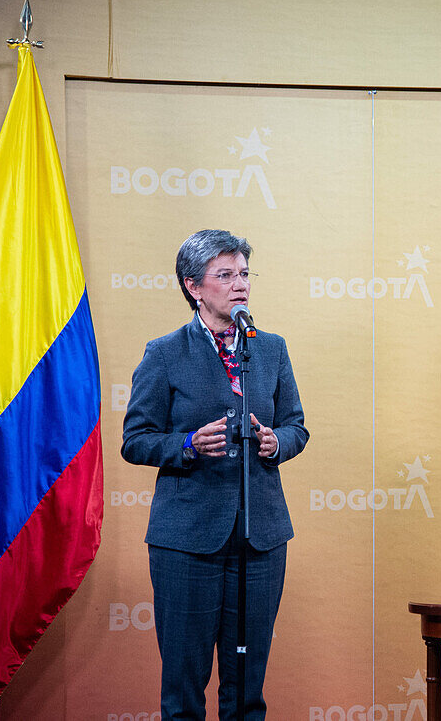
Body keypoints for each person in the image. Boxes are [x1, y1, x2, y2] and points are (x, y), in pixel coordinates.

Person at [122, 229, 309, 720]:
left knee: (247, 689)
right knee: (184, 690)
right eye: (224, 275)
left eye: (244, 273)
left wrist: (275, 442)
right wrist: (186, 443)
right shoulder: (163, 353)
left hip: (260, 537)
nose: (239, 284)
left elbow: (296, 427)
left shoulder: (270, 349)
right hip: (187, 541)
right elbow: (135, 440)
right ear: (193, 287)